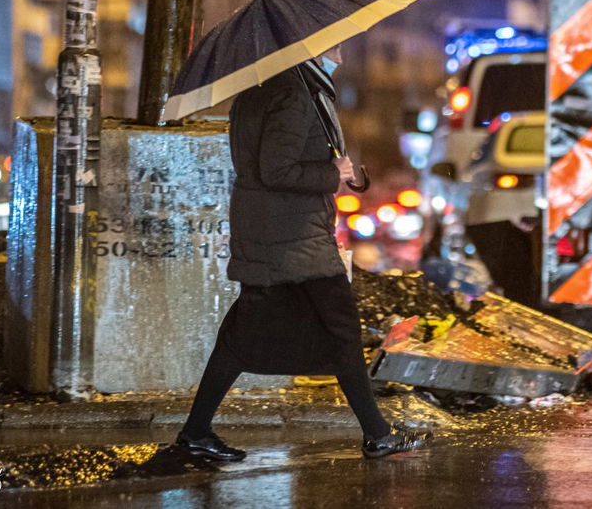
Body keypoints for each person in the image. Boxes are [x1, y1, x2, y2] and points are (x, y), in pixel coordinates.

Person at [176, 45, 427, 461]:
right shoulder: (294, 95)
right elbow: (277, 170)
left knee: (241, 335)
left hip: (272, 232)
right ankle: (378, 435)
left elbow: (265, 165)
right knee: (342, 327)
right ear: (311, 48)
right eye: (336, 46)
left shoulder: (262, 90)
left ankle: (195, 431)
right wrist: (335, 173)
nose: (342, 56)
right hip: (294, 240)